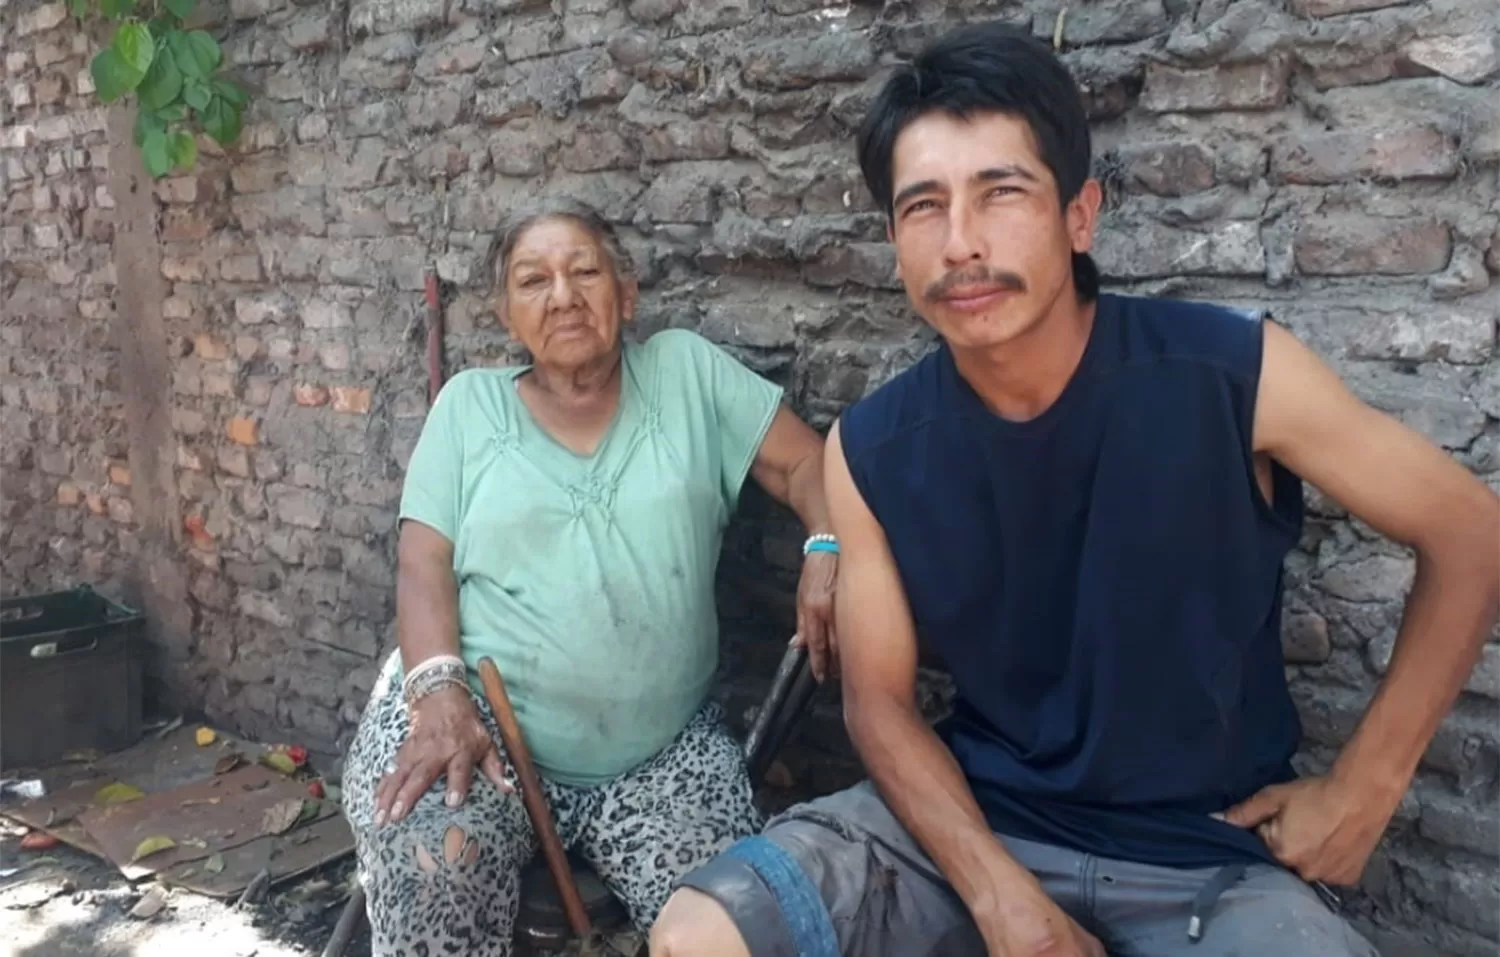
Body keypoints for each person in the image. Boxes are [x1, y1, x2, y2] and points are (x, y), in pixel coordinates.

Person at [648, 23, 1500, 957]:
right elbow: (880, 705)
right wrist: (1000, 895)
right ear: (893, 240)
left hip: (1204, 857)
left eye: (1001, 192)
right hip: (968, 826)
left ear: (1079, 215)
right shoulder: (874, 449)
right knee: (699, 932)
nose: (962, 243)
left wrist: (1366, 785)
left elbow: (1468, 530)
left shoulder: (1229, 375)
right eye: (923, 206)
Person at [340, 199, 840, 957]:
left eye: (584, 272)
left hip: (661, 752)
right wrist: (438, 691)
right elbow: (422, 563)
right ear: (509, 315)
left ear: (627, 293)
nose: (563, 295)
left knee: (737, 920)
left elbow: (809, 463)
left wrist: (827, 542)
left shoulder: (686, 374)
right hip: (473, 725)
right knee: (434, 858)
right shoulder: (469, 409)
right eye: (533, 280)